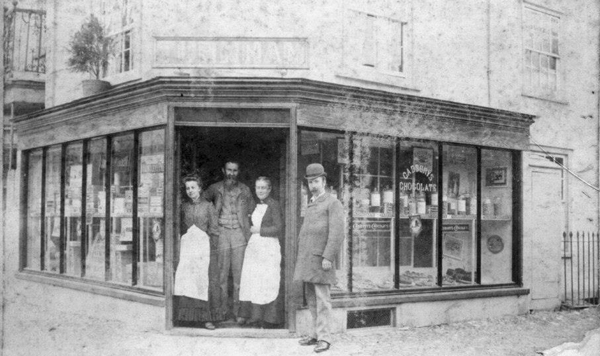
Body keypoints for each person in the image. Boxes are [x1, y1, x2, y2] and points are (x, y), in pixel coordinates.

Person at [293, 163, 345, 353]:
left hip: (321, 260)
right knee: (312, 300)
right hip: (309, 260)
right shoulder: (312, 202)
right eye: (310, 182)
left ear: (323, 181)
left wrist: (328, 257)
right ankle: (315, 334)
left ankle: (325, 338)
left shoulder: (333, 203)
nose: (313, 185)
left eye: (316, 181)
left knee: (323, 300)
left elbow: (337, 233)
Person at [203, 160, 255, 323]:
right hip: (222, 232)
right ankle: (222, 312)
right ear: (223, 170)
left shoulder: (245, 189)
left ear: (238, 172)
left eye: (235, 170)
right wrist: (211, 223)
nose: (231, 173)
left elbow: (253, 210)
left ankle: (240, 313)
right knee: (221, 275)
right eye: (229, 170)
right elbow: (202, 203)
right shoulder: (214, 188)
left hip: (239, 233)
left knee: (240, 275)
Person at [174, 175, 222, 330]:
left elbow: (214, 229)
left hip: (204, 249)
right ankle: (188, 318)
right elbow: (180, 227)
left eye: (193, 187)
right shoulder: (184, 207)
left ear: (200, 188)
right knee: (189, 281)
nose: (190, 191)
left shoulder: (208, 206)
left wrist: (210, 247)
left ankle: (207, 319)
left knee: (205, 282)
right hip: (188, 248)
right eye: (187, 188)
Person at [238, 176, 284, 328]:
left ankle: (270, 319)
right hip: (255, 247)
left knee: (268, 281)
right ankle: (255, 317)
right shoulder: (255, 205)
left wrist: (259, 230)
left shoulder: (274, 205)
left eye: (264, 188)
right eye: (258, 187)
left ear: (269, 189)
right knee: (254, 281)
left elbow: (278, 228)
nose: (261, 190)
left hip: (269, 247)